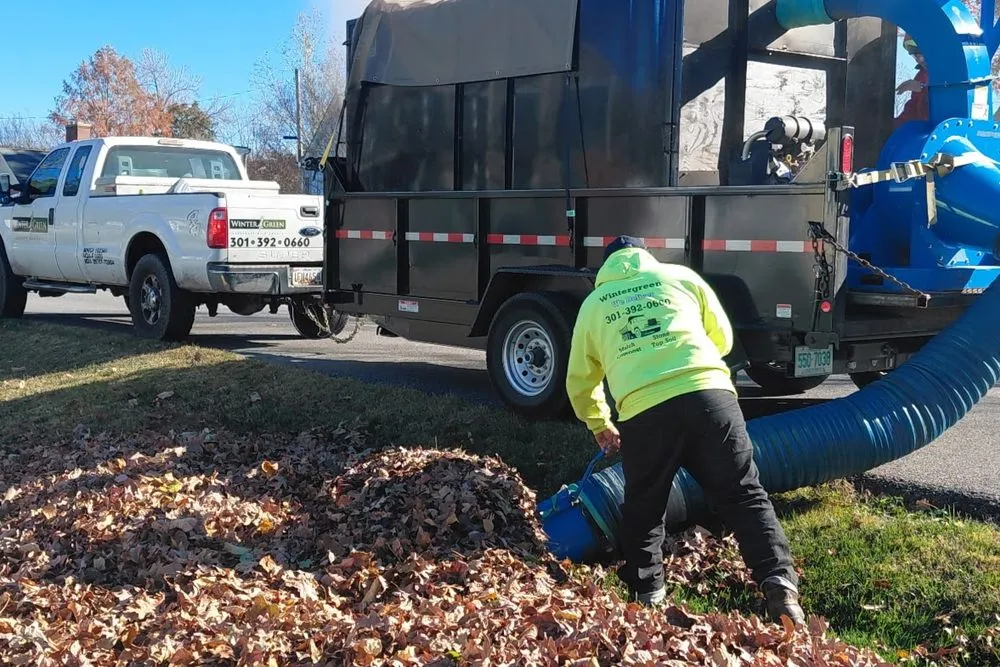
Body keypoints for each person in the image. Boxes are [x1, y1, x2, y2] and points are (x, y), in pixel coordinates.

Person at [564, 236, 806, 626]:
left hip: (644, 411)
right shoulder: (681, 278)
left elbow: (579, 382)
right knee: (744, 494)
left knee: (645, 505)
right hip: (711, 398)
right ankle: (780, 586)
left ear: (605, 269)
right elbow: (723, 338)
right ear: (646, 256)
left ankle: (649, 597)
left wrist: (600, 423)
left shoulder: (594, 305)